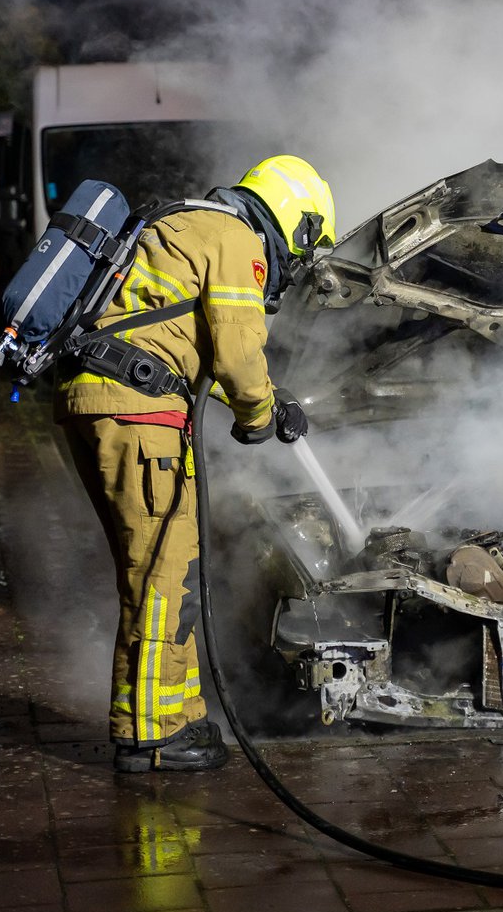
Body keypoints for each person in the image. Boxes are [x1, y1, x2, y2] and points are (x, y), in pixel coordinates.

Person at [58, 154, 336, 773]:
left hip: (103, 399)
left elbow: (179, 342)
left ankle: (178, 715)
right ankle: (150, 736)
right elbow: (237, 352)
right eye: (302, 248)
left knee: (165, 569)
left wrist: (273, 402)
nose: (292, 265)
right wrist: (256, 418)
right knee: (162, 575)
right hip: (138, 413)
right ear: (299, 222)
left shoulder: (184, 222)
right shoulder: (236, 239)